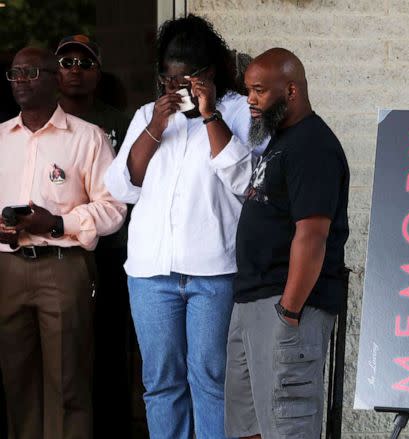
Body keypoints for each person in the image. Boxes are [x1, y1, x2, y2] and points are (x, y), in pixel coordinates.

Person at [104, 14, 260, 439]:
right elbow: (121, 185)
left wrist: (209, 115)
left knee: (211, 382)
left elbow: (247, 183)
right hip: (150, 273)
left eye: (188, 80)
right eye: (169, 81)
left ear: (208, 74)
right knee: (161, 384)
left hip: (213, 272)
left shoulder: (238, 113)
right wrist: (156, 126)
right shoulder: (145, 116)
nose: (178, 91)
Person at [0, 47, 126, 439]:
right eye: (15, 73)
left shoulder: (87, 137)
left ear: (54, 79)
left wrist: (56, 223)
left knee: (66, 382)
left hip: (63, 265)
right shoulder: (0, 136)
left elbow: (113, 209)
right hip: (7, 267)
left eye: (31, 72)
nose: (21, 80)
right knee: (17, 382)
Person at [225, 48, 350, 439]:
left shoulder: (313, 145)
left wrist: (289, 312)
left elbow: (312, 235)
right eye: (248, 91)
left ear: (291, 90)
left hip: (287, 307)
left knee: (286, 426)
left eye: (259, 91)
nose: (251, 101)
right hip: (252, 303)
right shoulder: (281, 141)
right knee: (249, 428)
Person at [55, 33, 134, 438]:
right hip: (61, 252)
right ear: (55, 72)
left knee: (109, 346)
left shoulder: (119, 121)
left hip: (112, 252)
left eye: (85, 63)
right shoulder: (44, 122)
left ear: (98, 72)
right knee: (65, 351)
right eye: (67, 62)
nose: (75, 70)